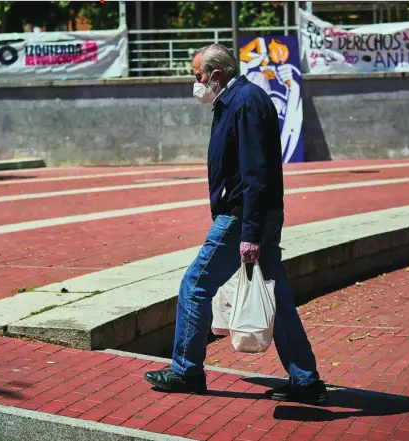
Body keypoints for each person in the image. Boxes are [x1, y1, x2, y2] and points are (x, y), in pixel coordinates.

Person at [143, 44, 327, 405]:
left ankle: (186, 371)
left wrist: (249, 233)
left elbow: (255, 173)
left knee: (195, 284)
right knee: (276, 294)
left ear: (217, 73)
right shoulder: (239, 100)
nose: (195, 83)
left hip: (242, 215)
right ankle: (305, 380)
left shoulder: (243, 102)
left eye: (198, 76)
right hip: (256, 214)